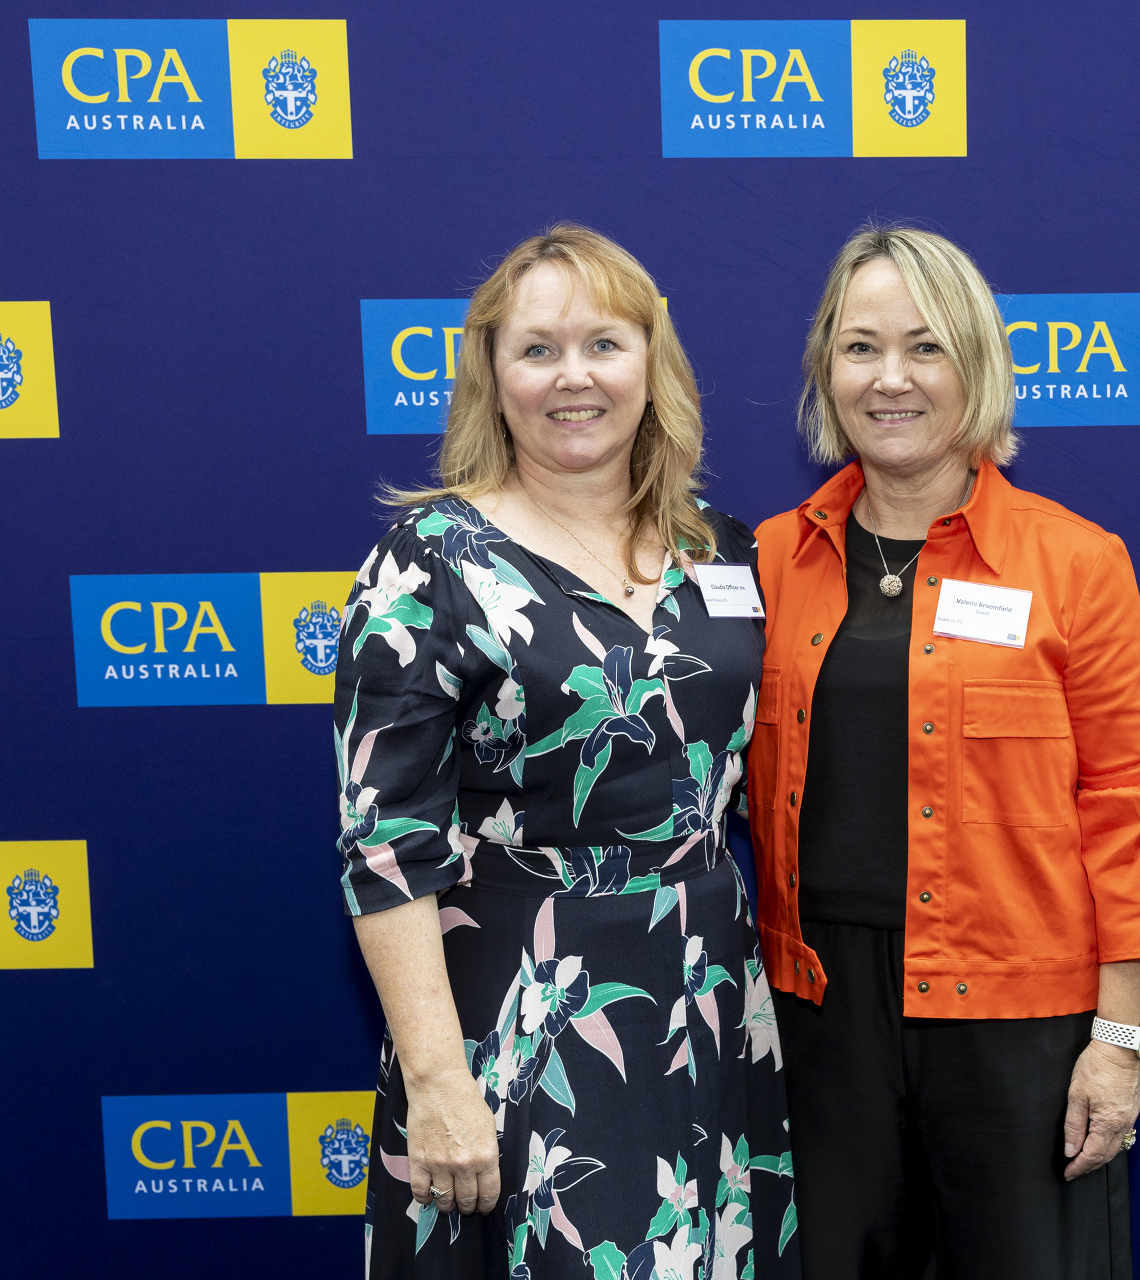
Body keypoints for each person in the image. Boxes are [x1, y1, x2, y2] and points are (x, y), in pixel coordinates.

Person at [747, 225, 1140, 1279]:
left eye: (925, 347)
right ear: (826, 369)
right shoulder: (768, 560)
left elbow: (1134, 802)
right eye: (861, 347)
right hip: (818, 1017)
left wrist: (1118, 1043)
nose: (890, 379)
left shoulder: (1076, 561)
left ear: (977, 365)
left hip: (1022, 1022)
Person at [335, 225, 800, 1279]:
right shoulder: (429, 563)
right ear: (492, 376)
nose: (572, 376)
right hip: (517, 1008)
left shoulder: (725, 549)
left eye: (602, 344)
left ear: (650, 363)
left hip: (710, 997)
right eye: (537, 349)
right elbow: (383, 845)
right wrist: (437, 1079)